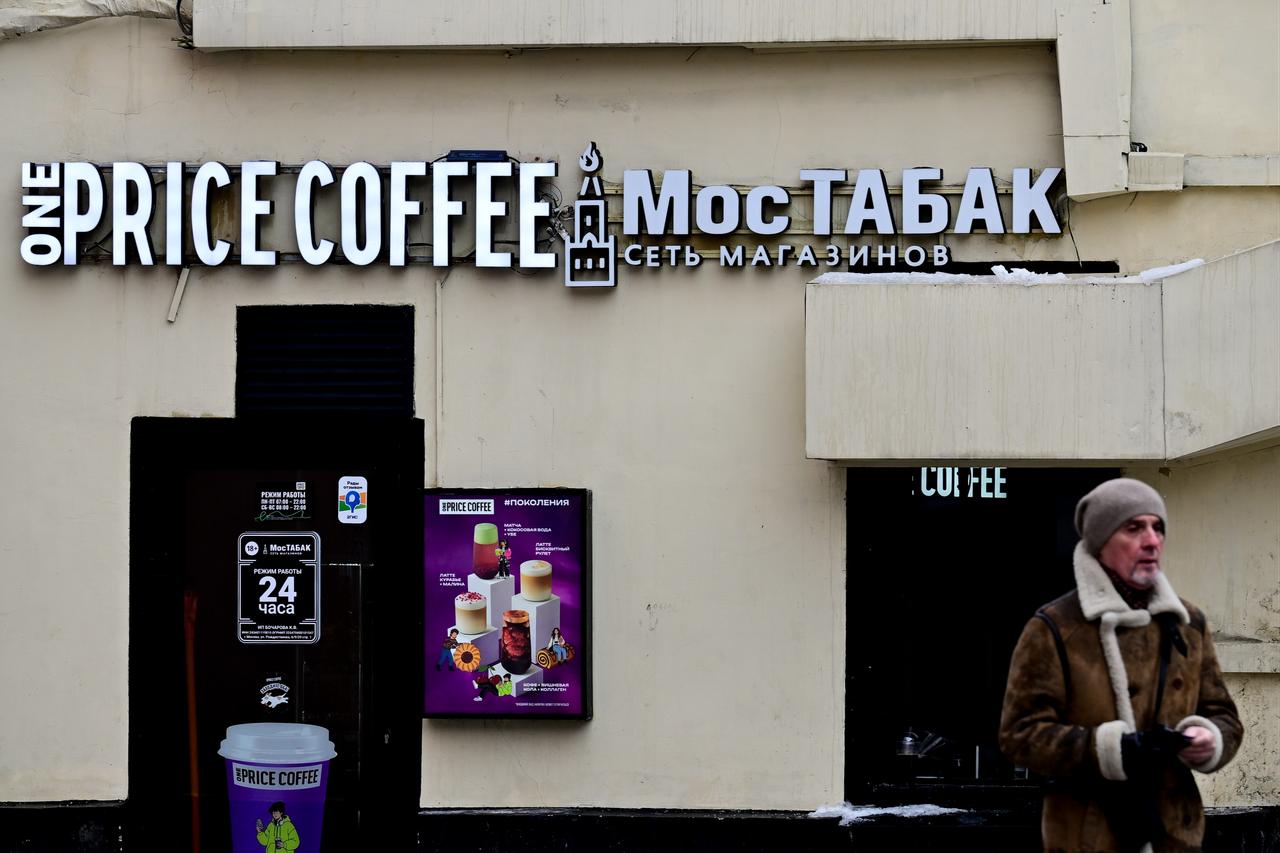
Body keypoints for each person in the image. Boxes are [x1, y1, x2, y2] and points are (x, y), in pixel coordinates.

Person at [999, 478, 1242, 852]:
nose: (1152, 540)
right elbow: (1019, 735)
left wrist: (1209, 739)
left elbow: (1223, 715)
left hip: (1175, 835)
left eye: (1157, 527)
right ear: (1100, 542)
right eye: (1134, 528)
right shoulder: (1055, 626)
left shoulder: (1188, 624)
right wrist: (1109, 749)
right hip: (1087, 837)